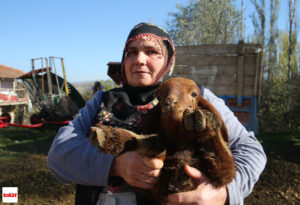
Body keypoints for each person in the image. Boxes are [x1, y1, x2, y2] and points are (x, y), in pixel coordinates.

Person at [47, 22, 267, 205]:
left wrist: (224, 193)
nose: (139, 59)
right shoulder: (103, 100)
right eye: (131, 52)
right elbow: (59, 154)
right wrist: (116, 165)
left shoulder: (194, 96)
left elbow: (251, 150)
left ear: (168, 62)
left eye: (152, 52)